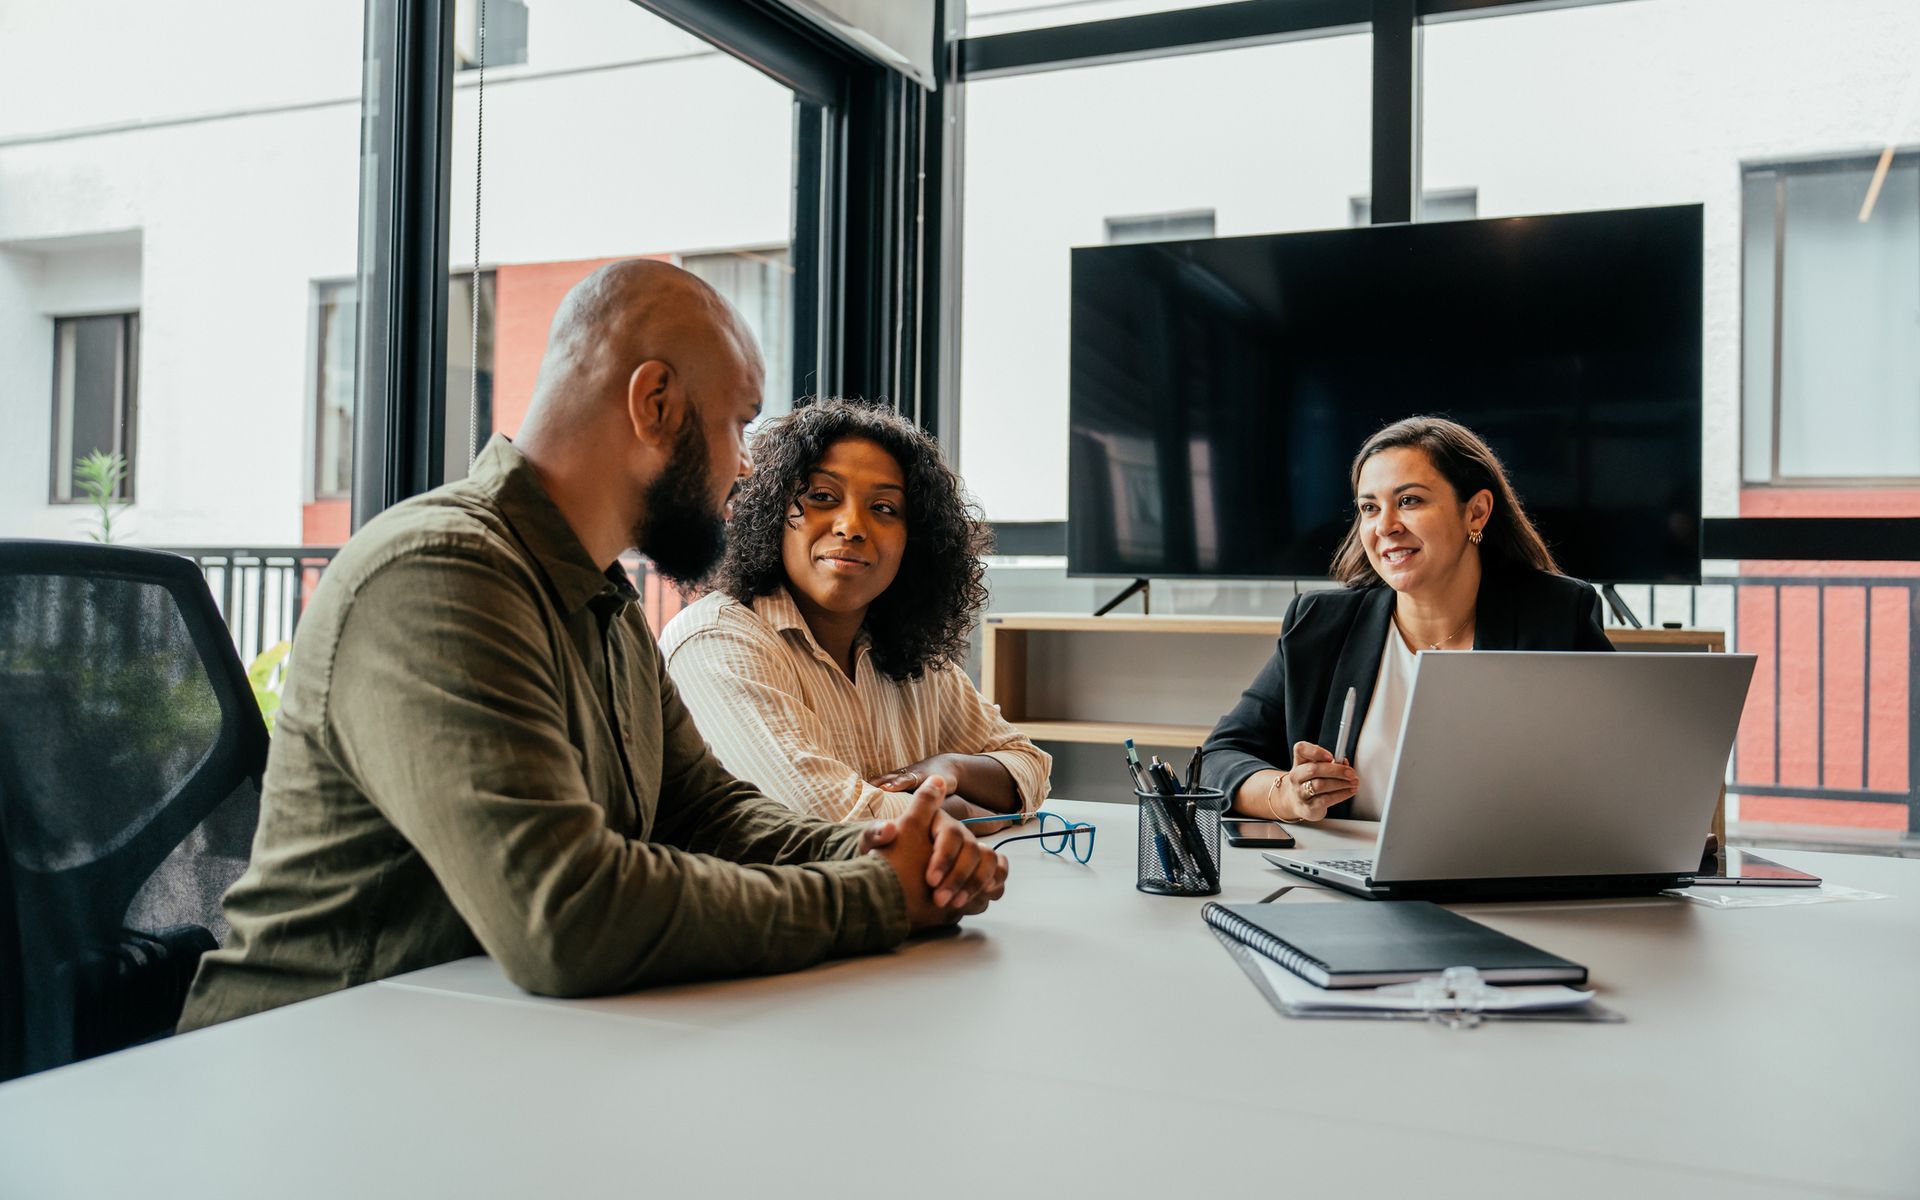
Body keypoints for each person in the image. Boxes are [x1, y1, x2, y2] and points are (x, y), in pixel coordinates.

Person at [179, 261, 1008, 1031]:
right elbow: (565, 912)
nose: (747, 472)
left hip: (473, 1046)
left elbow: (705, 810)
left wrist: (885, 850)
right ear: (655, 405)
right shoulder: (439, 574)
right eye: (736, 424)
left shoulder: (601, 597)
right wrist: (874, 899)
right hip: (302, 1064)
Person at [1202, 415, 1613, 823]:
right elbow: (1218, 758)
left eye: (1409, 501)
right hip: (1348, 876)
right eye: (1369, 507)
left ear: (1476, 512)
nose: (1385, 526)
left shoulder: (1556, 614)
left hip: (1501, 875)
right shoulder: (1320, 623)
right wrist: (1288, 795)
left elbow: (1625, 761)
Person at [660, 399, 1050, 827]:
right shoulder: (716, 642)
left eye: (884, 508)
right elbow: (830, 819)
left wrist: (950, 768)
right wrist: (964, 809)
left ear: (914, 540)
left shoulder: (905, 649)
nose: (851, 526)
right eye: (822, 497)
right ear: (770, 512)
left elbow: (1029, 766)